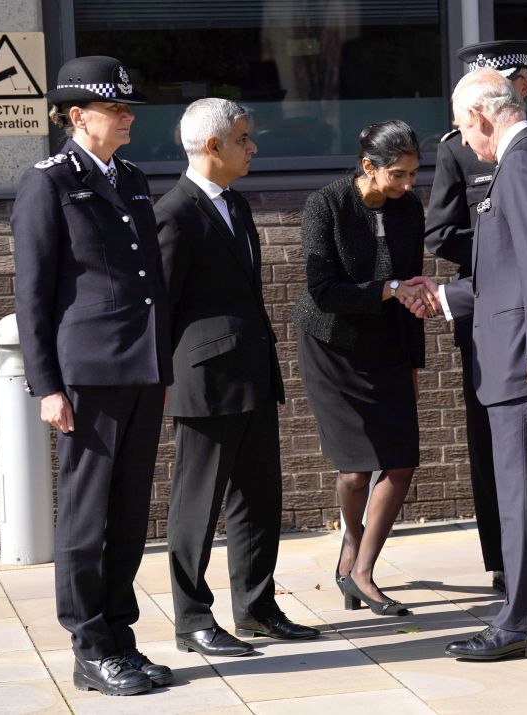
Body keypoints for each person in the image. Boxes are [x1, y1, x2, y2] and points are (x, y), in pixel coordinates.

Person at [406, 68, 527, 660]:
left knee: (522, 492)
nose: (464, 144)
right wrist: (445, 296)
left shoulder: (520, 162)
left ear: (482, 119)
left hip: (525, 358)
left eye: (463, 130)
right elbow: (511, 270)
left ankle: (522, 620)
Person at [11, 56, 173, 696]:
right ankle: (89, 646)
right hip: (88, 372)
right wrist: (46, 386)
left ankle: (120, 637)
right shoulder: (47, 183)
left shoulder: (131, 177)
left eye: (129, 107)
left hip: (140, 366)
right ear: (78, 117)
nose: (128, 116)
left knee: (129, 512)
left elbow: (149, 278)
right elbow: (33, 295)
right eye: (116, 108)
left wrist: (161, 361)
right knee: (86, 517)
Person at [156, 98, 320, 658]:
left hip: (252, 374)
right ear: (213, 147)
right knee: (196, 505)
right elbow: (163, 307)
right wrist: (166, 381)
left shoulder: (237, 205)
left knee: (258, 500)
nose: (253, 147)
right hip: (204, 382)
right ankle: (192, 618)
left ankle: (256, 607)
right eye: (245, 139)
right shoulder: (173, 214)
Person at [292, 120, 433, 616]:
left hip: (389, 345)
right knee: (354, 471)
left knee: (400, 461)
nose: (407, 185)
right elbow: (322, 291)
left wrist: (415, 361)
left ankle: (362, 571)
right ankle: (350, 548)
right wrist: (389, 290)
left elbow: (412, 284)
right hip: (333, 345)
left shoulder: (409, 208)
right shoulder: (326, 204)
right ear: (368, 167)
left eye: (414, 174)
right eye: (398, 175)